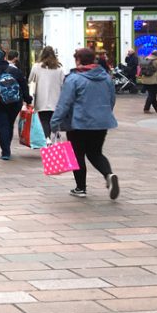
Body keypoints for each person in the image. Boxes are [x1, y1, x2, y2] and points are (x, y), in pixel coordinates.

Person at [50, 48, 119, 199]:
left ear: (79, 60)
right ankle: (109, 174)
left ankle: (80, 188)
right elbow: (111, 99)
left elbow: (64, 103)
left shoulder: (74, 79)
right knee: (95, 152)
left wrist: (54, 122)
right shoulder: (106, 77)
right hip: (101, 122)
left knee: (77, 154)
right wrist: (105, 113)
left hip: (79, 123)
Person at [28, 46, 65, 140]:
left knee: (44, 120)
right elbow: (63, 83)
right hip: (56, 99)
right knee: (53, 120)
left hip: (41, 99)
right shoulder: (59, 68)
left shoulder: (36, 66)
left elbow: (30, 80)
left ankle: (47, 138)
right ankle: (54, 136)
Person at [138, 49, 157, 113]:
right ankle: (146, 109)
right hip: (154, 80)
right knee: (152, 95)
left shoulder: (146, 59)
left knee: (152, 94)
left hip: (145, 80)